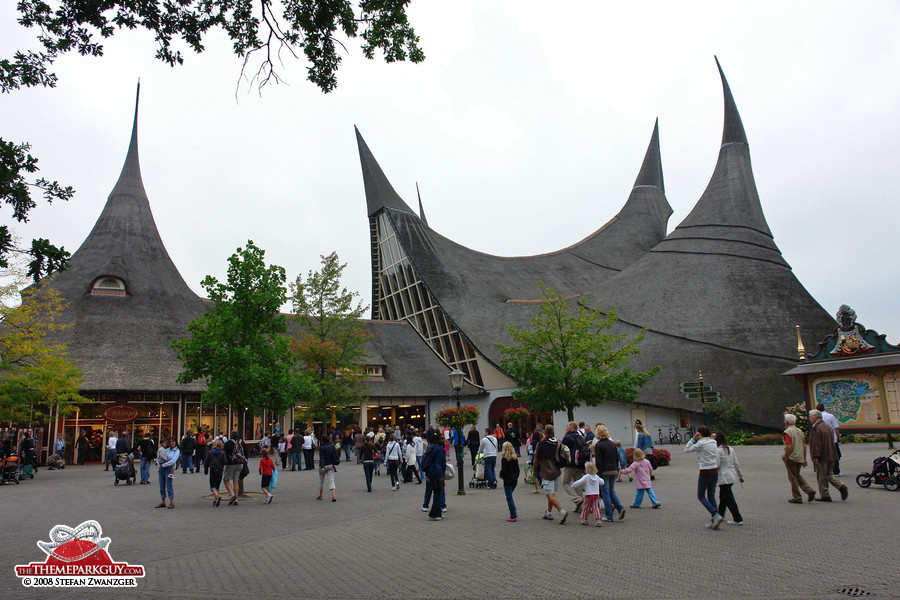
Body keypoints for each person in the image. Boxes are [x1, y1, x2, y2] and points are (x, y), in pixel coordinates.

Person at [685, 426, 721, 528]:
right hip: (714, 470)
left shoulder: (701, 443)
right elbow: (712, 440)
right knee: (711, 495)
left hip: (705, 470)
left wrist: (693, 438)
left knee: (701, 496)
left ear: (699, 434)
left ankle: (715, 514)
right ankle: (714, 519)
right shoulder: (713, 442)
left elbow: (687, 449)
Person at [809, 409, 849, 502]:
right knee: (829, 474)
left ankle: (825, 495)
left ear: (815, 417)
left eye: (810, 417)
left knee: (821, 477)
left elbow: (816, 444)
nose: (810, 418)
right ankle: (841, 486)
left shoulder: (816, 428)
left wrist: (815, 456)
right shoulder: (827, 426)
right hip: (832, 454)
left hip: (822, 456)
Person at [534, 424, 568, 524]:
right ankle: (548, 512)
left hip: (547, 471)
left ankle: (562, 511)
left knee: (549, 494)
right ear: (552, 432)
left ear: (545, 432)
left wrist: (535, 471)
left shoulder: (541, 443)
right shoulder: (557, 442)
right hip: (557, 471)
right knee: (551, 494)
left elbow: (537, 458)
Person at [593, 425, 626, 522]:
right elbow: (617, 457)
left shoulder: (598, 445)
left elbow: (599, 461)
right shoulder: (612, 444)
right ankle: (620, 508)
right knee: (611, 492)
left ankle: (609, 516)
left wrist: (597, 473)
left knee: (605, 493)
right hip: (613, 470)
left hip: (604, 471)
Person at [782, 413, 816, 504]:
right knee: (797, 474)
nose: (784, 422)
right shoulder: (799, 431)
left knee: (792, 477)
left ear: (788, 422)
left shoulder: (788, 432)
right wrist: (804, 458)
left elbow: (788, 446)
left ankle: (797, 497)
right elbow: (804, 445)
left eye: (785, 420)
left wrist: (786, 456)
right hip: (800, 456)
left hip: (792, 457)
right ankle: (809, 490)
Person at [715, 431, 744, 525]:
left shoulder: (718, 450)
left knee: (728, 498)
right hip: (731, 475)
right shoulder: (730, 449)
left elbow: (717, 465)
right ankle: (720, 514)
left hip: (724, 476)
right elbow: (736, 463)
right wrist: (740, 476)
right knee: (723, 496)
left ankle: (737, 518)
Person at [561, 421, 588, 513]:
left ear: (572, 426)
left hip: (570, 464)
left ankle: (577, 499)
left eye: (567, 425)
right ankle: (580, 507)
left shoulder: (567, 438)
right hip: (580, 464)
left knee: (565, 483)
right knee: (578, 484)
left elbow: (562, 450)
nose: (566, 427)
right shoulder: (580, 437)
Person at [421, 431, 447, 520]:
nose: (444, 440)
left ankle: (437, 511)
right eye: (442, 439)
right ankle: (435, 513)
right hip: (436, 473)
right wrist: (441, 476)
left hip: (430, 472)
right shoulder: (439, 450)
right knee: (438, 492)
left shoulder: (430, 448)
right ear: (438, 440)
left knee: (435, 491)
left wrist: (427, 474)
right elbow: (438, 463)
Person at [571, 462, 604, 526]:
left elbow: (579, 482)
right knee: (595, 507)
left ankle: (585, 519)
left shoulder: (586, 477)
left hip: (588, 494)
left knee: (586, 507)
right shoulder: (597, 477)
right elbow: (602, 482)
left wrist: (573, 485)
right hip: (596, 494)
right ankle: (598, 520)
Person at [817, 402, 842, 476]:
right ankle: (836, 471)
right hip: (832, 438)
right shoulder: (830, 416)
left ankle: (824, 470)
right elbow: (836, 427)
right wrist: (838, 437)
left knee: (823, 454)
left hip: (822, 439)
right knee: (835, 455)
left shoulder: (816, 417)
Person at [155, 437, 180, 509]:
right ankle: (163, 501)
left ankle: (171, 501)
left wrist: (164, 465)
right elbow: (159, 457)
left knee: (169, 485)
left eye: (173, 442)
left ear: (175, 442)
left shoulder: (176, 451)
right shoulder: (166, 449)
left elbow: (173, 461)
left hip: (169, 469)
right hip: (162, 468)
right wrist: (159, 464)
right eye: (170, 442)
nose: (171, 443)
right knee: (161, 485)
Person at [223, 430, 245, 505]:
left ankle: (232, 494)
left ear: (231, 435)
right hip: (240, 464)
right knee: (236, 480)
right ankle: (236, 498)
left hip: (230, 464)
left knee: (226, 479)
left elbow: (224, 453)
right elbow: (246, 453)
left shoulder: (228, 443)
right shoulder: (241, 442)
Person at [499, 441, 519, 522]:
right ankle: (513, 511)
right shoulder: (515, 458)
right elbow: (518, 469)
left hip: (507, 480)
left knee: (509, 498)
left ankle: (513, 514)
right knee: (510, 496)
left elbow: (504, 470)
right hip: (514, 479)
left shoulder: (504, 459)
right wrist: (516, 476)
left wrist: (501, 475)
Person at [204, 438, 227, 506]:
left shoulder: (211, 453)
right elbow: (225, 461)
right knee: (217, 484)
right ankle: (215, 499)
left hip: (213, 469)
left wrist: (206, 470)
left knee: (212, 485)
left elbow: (207, 462)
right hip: (220, 470)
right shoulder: (222, 453)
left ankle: (217, 495)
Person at [317, 434, 339, 502]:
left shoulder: (322, 447)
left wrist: (322, 466)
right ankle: (333, 495)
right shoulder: (332, 446)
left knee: (321, 481)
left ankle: (320, 495)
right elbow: (335, 454)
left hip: (323, 465)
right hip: (330, 465)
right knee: (331, 480)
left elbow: (322, 458)